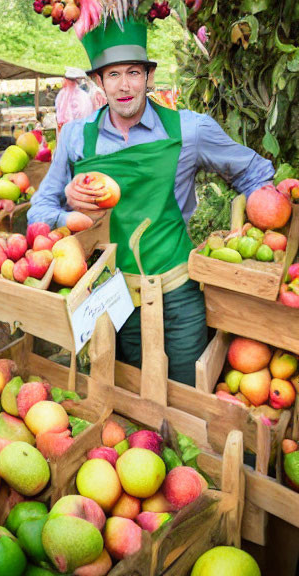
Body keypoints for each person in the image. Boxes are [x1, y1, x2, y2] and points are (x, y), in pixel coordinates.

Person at [27, 19, 274, 386]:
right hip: (112, 297)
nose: (124, 85)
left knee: (187, 399)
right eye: (113, 74)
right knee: (128, 403)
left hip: (178, 296)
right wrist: (70, 208)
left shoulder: (189, 130)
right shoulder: (77, 137)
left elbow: (255, 173)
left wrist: (255, 229)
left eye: (133, 72)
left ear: (148, 77)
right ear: (99, 82)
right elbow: (38, 213)